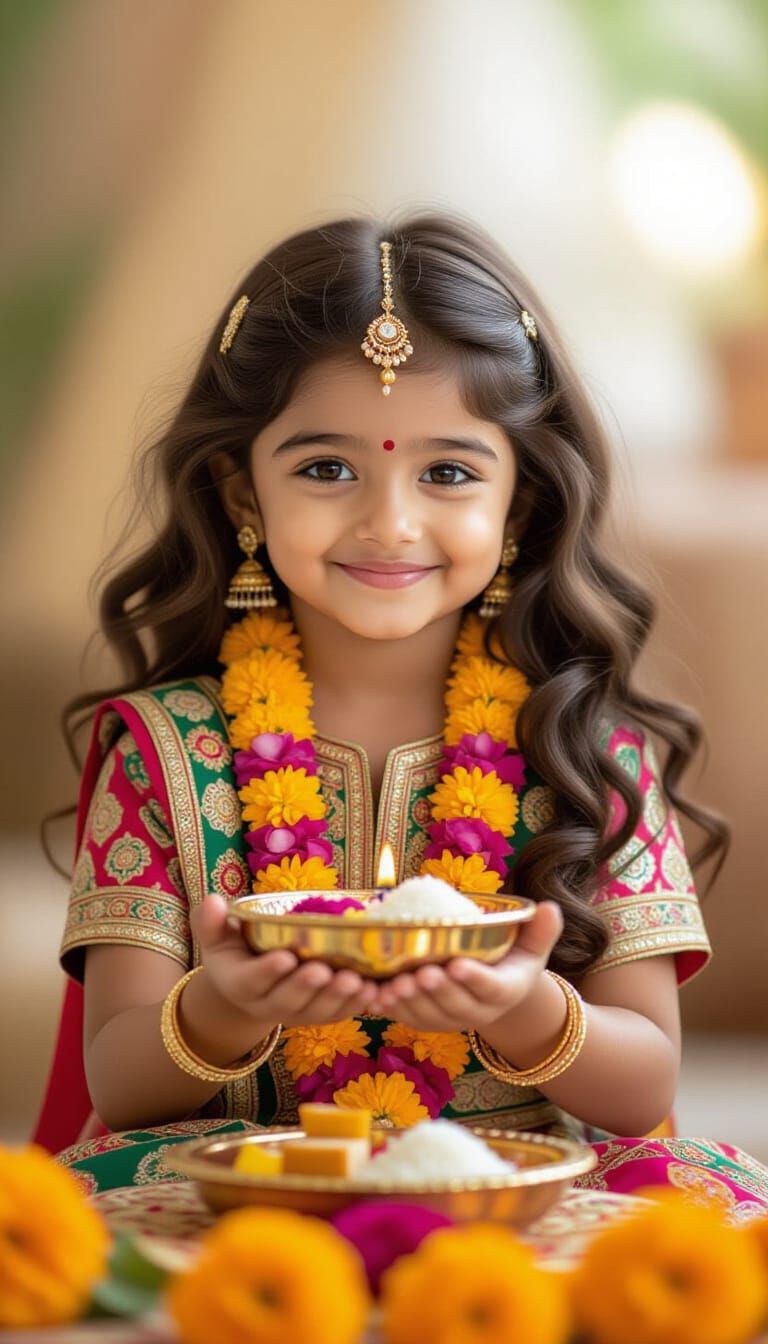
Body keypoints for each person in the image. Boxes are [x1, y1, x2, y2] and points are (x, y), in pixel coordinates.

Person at [34, 213, 768, 1214]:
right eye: (327, 469)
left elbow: (644, 1089)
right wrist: (222, 1005)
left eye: (449, 472)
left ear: (520, 502)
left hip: (518, 1195)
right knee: (61, 1212)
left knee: (720, 1198)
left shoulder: (586, 746)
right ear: (241, 494)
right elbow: (121, 1083)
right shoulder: (167, 753)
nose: (390, 521)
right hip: (243, 1195)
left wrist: (529, 1009)